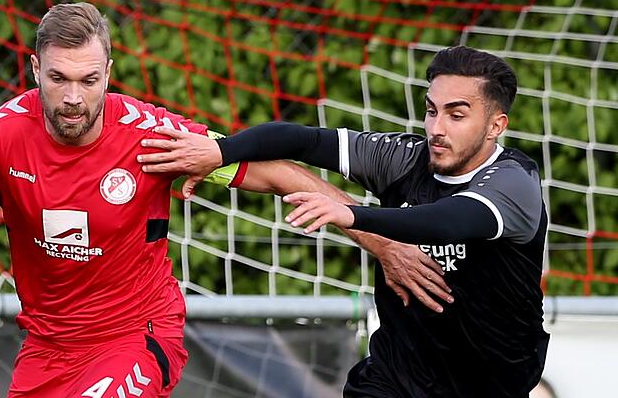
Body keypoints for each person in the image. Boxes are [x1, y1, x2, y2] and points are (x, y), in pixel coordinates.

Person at [0, 2, 450, 398]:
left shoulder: (151, 138)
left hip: (136, 334)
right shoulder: (0, 136)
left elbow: (281, 174)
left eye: (88, 81)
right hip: (46, 349)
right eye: (58, 78)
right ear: (35, 69)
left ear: (108, 74)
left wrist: (383, 244)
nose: (72, 98)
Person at [138, 46, 550, 398]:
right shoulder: (403, 158)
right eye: (430, 111)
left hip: (489, 381)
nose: (436, 129)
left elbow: (451, 221)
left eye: (456, 116)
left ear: (496, 125)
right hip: (395, 374)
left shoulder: (515, 182)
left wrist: (351, 215)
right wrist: (220, 152)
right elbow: (301, 140)